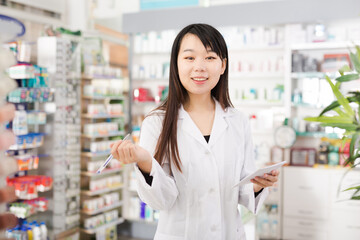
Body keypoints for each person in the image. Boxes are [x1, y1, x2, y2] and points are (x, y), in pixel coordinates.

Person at [111, 23, 279, 240]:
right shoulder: (156, 122)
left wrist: (256, 185)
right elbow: (161, 200)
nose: (199, 67)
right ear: (176, 64)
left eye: (209, 58)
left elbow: (241, 189)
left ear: (223, 65)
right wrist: (145, 162)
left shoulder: (238, 121)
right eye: (190, 58)